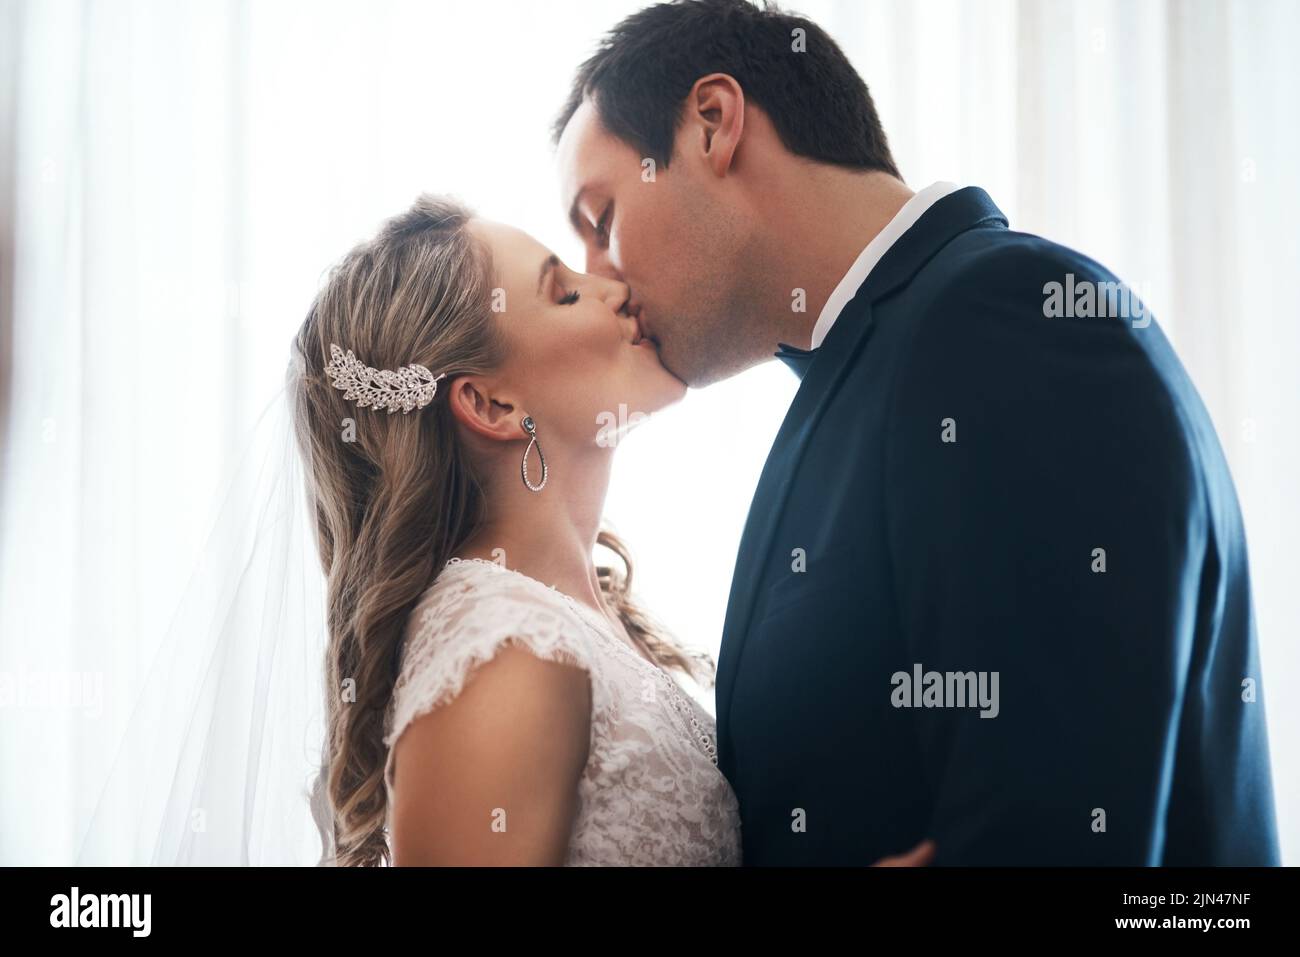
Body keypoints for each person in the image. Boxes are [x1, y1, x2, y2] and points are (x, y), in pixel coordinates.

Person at [551, 0, 1280, 865]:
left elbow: (1061, 831)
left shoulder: (1008, 321)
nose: (604, 282)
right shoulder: (870, 374)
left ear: (713, 122)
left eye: (601, 221)